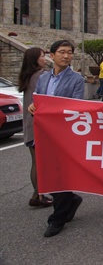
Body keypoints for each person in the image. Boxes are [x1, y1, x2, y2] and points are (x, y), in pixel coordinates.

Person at [28, 40, 85, 238]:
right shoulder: (43, 78)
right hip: (45, 133)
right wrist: (33, 108)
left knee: (59, 174)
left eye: (69, 52)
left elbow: (76, 106)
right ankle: (70, 199)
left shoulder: (77, 79)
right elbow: (38, 100)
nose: (66, 56)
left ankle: (57, 219)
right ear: (52, 55)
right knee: (48, 172)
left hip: (65, 134)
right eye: (62, 52)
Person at [17, 47, 53, 208]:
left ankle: (38, 194)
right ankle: (37, 195)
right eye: (42, 56)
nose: (45, 59)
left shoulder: (27, 76)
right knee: (40, 162)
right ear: (35, 60)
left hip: (29, 123)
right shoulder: (41, 76)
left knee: (35, 161)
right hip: (38, 123)